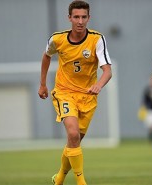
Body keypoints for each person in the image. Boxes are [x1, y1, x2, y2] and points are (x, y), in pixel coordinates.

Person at [38, 1, 112, 185]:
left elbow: (107, 71)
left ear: (89, 18)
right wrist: (43, 84)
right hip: (64, 92)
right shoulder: (57, 39)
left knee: (75, 141)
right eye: (76, 17)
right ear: (69, 18)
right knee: (72, 134)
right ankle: (81, 182)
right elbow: (47, 55)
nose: (80, 21)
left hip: (87, 96)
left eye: (83, 17)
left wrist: (99, 85)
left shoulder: (97, 39)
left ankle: (60, 178)